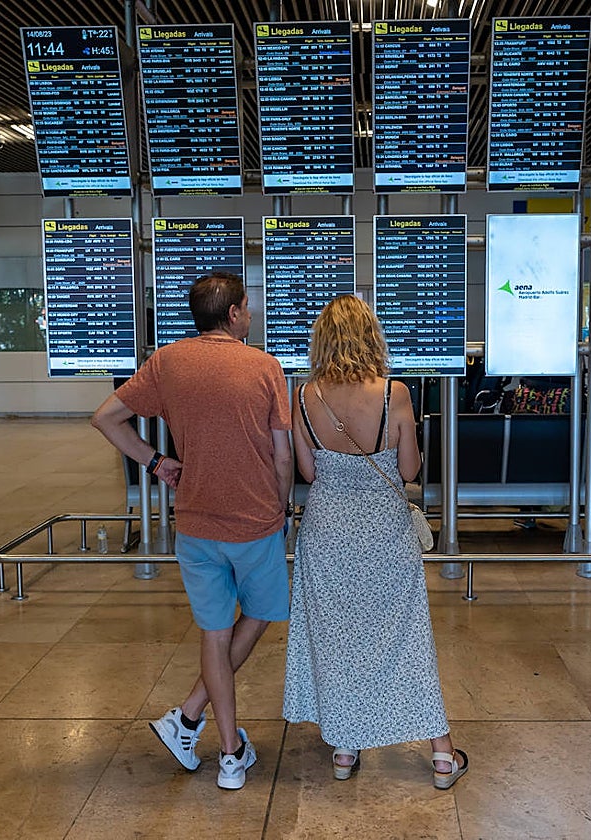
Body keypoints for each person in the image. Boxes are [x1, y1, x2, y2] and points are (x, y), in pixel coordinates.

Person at [91, 272, 292, 791]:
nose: (251, 315)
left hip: (196, 522)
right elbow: (283, 453)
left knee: (214, 631)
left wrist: (156, 462)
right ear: (232, 314)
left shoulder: (167, 362)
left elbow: (106, 418)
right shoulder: (265, 367)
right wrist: (284, 506)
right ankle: (194, 723)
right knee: (265, 612)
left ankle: (213, 741)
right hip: (255, 521)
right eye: (247, 307)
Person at [282, 295, 467, 789]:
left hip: (327, 531)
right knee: (406, 638)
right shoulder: (395, 394)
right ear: (372, 337)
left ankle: (345, 749)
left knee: (338, 640)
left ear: (321, 340)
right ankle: (442, 754)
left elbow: (307, 471)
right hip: (385, 532)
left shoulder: (304, 396)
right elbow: (408, 471)